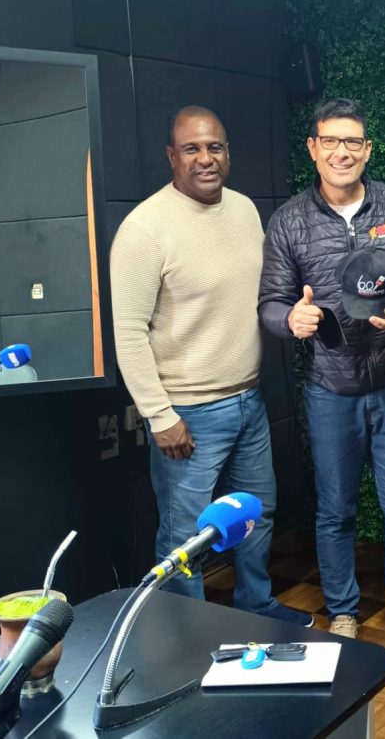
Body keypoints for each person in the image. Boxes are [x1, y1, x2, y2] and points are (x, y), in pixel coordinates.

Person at [111, 105, 311, 626]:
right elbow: (128, 332)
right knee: (186, 537)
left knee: (256, 512)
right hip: (187, 412)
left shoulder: (243, 210)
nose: (206, 158)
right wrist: (159, 415)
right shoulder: (144, 228)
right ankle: (187, 635)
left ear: (228, 153)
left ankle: (256, 606)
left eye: (215, 147)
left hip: (248, 399)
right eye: (192, 149)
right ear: (171, 156)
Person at [258, 98, 385, 663]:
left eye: (352, 142)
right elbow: (270, 303)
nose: (342, 152)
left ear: (367, 150)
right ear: (314, 148)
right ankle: (342, 612)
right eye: (331, 141)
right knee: (335, 511)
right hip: (329, 390)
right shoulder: (289, 220)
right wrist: (290, 320)